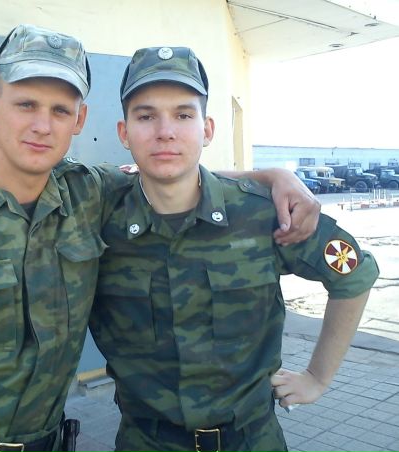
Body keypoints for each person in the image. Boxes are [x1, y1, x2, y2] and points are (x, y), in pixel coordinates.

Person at [0, 25, 316, 452]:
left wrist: (273, 175)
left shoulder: (90, 193)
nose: (42, 125)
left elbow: (171, 172)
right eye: (26, 104)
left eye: (61, 110)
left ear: (79, 120)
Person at [86, 47, 378, 451]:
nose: (165, 131)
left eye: (183, 115)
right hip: (147, 442)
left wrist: (316, 377)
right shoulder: (99, 217)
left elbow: (354, 275)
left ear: (207, 129)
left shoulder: (262, 212)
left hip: (251, 440)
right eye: (146, 116)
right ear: (124, 132)